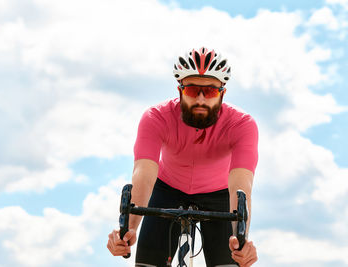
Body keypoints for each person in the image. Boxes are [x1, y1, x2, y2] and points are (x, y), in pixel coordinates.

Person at [107, 47, 258, 266]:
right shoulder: (156, 117)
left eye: (210, 92)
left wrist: (241, 238)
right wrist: (128, 228)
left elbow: (241, 185)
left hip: (219, 195)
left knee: (231, 258)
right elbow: (144, 173)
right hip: (166, 190)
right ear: (180, 90)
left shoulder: (242, 124)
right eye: (192, 90)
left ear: (222, 93)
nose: (200, 99)